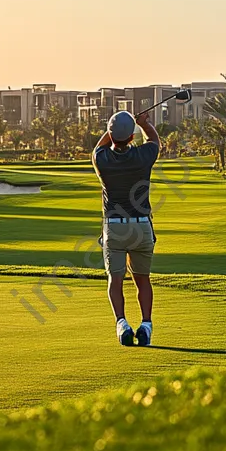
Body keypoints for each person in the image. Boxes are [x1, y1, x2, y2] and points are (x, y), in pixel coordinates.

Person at [91, 109, 160, 347]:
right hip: (141, 227)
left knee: (116, 279)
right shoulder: (144, 155)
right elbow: (154, 140)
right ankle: (146, 325)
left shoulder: (101, 159)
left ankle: (122, 324)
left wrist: (120, 126)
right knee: (143, 279)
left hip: (114, 228)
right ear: (132, 137)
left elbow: (100, 145)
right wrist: (143, 123)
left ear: (111, 134)